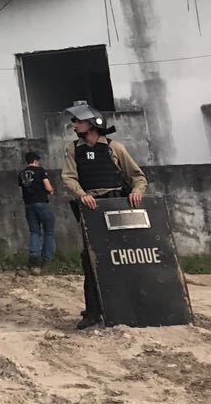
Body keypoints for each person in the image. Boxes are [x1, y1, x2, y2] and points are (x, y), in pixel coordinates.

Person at [61, 103, 147, 329]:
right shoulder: (73, 149)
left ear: (91, 124)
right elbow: (68, 177)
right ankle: (93, 310)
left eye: (78, 121)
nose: (74, 125)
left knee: (123, 255)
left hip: (116, 204)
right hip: (91, 208)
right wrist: (81, 194)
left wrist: (137, 191)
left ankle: (129, 305)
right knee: (90, 259)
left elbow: (137, 176)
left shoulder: (113, 147)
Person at [18, 150, 56, 272]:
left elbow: (21, 190)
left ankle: (34, 257)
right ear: (35, 160)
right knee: (49, 231)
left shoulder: (22, 174)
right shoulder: (41, 171)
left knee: (34, 231)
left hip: (28, 205)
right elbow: (48, 187)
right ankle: (47, 259)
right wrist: (51, 191)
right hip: (41, 203)